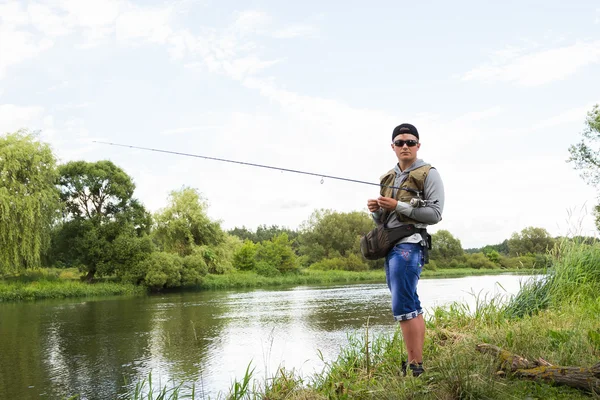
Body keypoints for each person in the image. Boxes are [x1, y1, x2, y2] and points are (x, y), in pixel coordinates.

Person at [367, 123, 444, 377]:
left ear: (418, 145)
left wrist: (399, 205)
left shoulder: (428, 173)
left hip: (411, 245)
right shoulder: (387, 178)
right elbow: (382, 223)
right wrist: (377, 211)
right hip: (391, 246)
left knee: (402, 304)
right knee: (410, 302)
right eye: (400, 142)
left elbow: (435, 214)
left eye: (410, 142)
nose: (405, 146)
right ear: (393, 147)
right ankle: (416, 364)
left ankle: (415, 367)